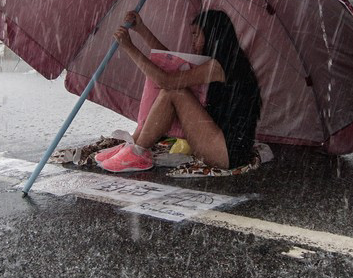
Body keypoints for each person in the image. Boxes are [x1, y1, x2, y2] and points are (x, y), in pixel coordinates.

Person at [97, 9, 261, 173]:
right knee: (174, 88)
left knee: (174, 91)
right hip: (225, 145)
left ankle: (137, 152)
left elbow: (167, 80)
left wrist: (129, 48)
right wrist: (141, 29)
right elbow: (170, 61)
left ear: (212, 34)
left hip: (226, 152)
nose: (193, 41)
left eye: (197, 35)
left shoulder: (218, 67)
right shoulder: (221, 61)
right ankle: (134, 145)